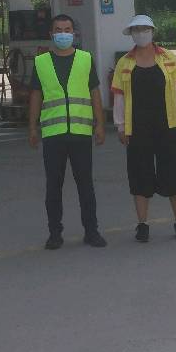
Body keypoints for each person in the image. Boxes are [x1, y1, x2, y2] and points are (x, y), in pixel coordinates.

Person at [27, 13, 107, 249]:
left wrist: (100, 124)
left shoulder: (85, 59)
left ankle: (91, 231)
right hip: (53, 134)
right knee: (54, 186)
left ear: (74, 33)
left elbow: (94, 92)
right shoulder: (41, 62)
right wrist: (32, 127)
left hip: (81, 133)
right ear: (51, 34)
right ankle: (55, 233)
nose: (63, 34)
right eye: (59, 30)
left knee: (85, 185)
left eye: (67, 29)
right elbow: (36, 96)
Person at [111, 14, 176, 243]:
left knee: (174, 176)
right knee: (140, 177)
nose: (141, 33)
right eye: (136, 30)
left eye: (145, 29)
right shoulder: (124, 63)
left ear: (152, 32)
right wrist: (120, 125)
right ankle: (142, 225)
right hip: (137, 129)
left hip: (168, 126)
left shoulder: (168, 58)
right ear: (131, 34)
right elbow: (119, 97)